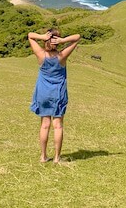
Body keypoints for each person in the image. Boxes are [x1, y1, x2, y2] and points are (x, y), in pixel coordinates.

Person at [28, 27, 81, 163]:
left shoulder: (40, 54)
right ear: (57, 42)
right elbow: (77, 37)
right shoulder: (62, 56)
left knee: (44, 125)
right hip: (58, 93)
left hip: (42, 93)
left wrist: (42, 37)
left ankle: (43, 156)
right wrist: (63, 40)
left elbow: (30, 35)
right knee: (58, 126)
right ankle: (57, 157)